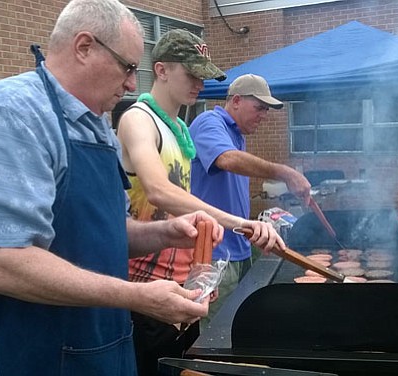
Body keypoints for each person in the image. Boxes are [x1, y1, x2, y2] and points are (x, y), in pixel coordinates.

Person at [0, 1, 223, 375]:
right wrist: (136, 296)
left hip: (94, 347)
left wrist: (165, 233)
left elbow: (102, 231)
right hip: (15, 354)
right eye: (128, 67)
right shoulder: (11, 113)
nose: (133, 83)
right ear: (84, 47)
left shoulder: (96, 126)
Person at [116, 30, 284, 375]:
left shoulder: (180, 127)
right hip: (144, 290)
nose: (200, 84)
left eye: (203, 75)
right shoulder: (138, 119)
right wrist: (240, 222)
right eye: (191, 73)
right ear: (161, 70)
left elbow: (189, 206)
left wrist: (200, 275)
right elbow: (159, 191)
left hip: (182, 288)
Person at [189, 74, 312, 324]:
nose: (263, 116)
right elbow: (227, 159)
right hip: (215, 254)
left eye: (266, 110)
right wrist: (285, 172)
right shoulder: (209, 122)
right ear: (235, 101)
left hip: (240, 249)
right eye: (259, 108)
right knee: (215, 334)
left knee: (239, 326)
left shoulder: (238, 135)